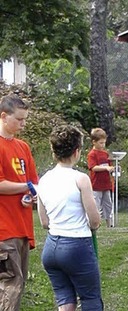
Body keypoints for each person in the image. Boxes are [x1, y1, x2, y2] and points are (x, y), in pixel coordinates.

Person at [37, 125, 103, 310]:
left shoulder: (44, 179)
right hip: (77, 246)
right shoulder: (80, 179)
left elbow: (44, 222)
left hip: (51, 248)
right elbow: (95, 220)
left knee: (65, 299)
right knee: (90, 298)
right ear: (77, 152)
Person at [0, 94, 39, 310]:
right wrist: (25, 188)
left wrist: (30, 195)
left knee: (18, 282)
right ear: (4, 116)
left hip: (22, 227)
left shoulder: (23, 147)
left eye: (25, 119)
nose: (23, 124)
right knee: (10, 284)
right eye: (19, 119)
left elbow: (32, 181)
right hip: (4, 229)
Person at [87, 128, 115, 227]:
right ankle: (95, 223)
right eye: (100, 143)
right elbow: (93, 167)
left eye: (104, 143)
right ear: (94, 142)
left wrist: (113, 169)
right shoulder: (92, 154)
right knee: (96, 205)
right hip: (96, 185)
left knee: (108, 204)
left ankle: (109, 223)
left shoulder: (105, 153)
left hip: (106, 184)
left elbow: (110, 166)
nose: (102, 145)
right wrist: (106, 168)